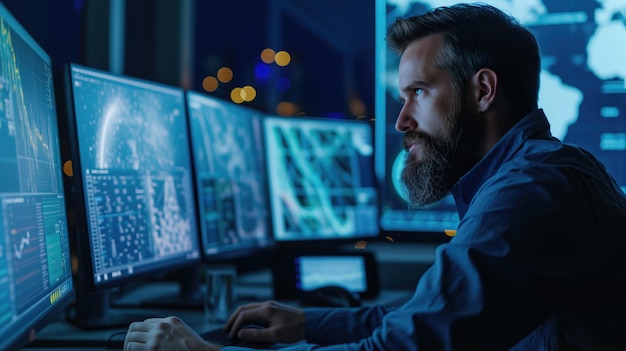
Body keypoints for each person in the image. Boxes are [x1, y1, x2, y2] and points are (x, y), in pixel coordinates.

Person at [123, 3, 626, 350]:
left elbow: (410, 345)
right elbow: (433, 316)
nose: (402, 120)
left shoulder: (529, 192)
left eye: (419, 93)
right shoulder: (538, 173)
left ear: (484, 90)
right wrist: (307, 322)